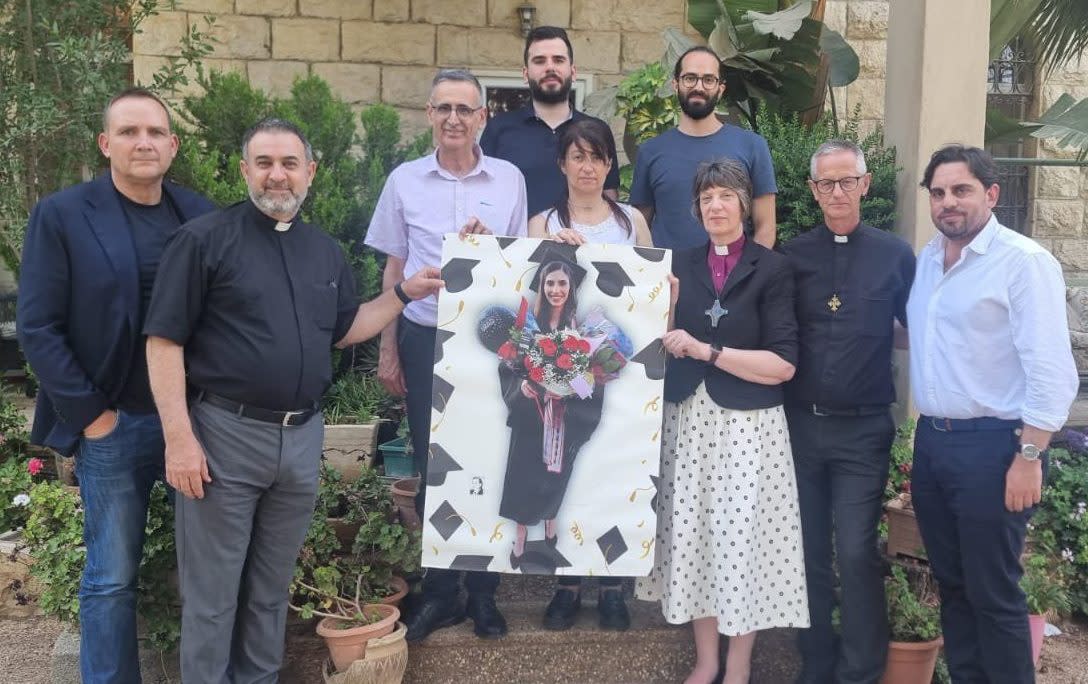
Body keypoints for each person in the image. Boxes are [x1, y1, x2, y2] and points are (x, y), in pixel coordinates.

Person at [143, 118, 443, 683]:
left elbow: (346, 327)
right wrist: (179, 439)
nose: (276, 176)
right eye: (264, 163)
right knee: (212, 597)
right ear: (244, 171)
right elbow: (163, 341)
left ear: (310, 171)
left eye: (288, 164)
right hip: (222, 438)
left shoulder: (323, 251)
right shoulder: (203, 241)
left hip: (301, 440)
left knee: (270, 591)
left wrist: (405, 293)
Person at [16, 87, 214, 683]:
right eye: (128, 132)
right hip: (114, 424)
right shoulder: (64, 214)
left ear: (173, 145)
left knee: (211, 571)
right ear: (106, 144)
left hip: (194, 426)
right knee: (111, 578)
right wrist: (93, 419)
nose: (143, 142)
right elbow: (39, 325)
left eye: (154, 132)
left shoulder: (200, 214)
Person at [366, 68, 528, 643]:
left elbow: (518, 267)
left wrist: (490, 250)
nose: (455, 119)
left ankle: (483, 593)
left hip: (487, 342)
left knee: (486, 459)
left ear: (483, 116)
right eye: (444, 109)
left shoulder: (509, 179)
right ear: (429, 115)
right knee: (435, 465)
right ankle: (439, 592)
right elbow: (393, 267)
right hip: (421, 334)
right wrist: (387, 348)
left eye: (466, 108)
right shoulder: (404, 181)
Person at [907, 145, 1077, 683]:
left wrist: (1030, 455)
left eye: (961, 190)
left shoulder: (1023, 262)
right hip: (934, 443)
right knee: (952, 586)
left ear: (991, 194)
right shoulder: (928, 260)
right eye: (938, 193)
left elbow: (1051, 368)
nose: (948, 202)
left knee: (992, 590)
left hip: (994, 447)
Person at [637, 159, 807, 684]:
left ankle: (738, 668)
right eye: (706, 197)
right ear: (697, 208)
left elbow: (782, 365)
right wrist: (663, 309)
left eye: (726, 196)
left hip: (747, 427)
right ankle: (706, 661)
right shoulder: (679, 264)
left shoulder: (771, 267)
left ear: (744, 204)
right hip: (688, 421)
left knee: (739, 541)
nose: (715, 206)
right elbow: (655, 344)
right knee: (696, 539)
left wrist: (709, 352)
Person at [779, 140, 916, 684]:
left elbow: (921, 329)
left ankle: (859, 672)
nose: (837, 192)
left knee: (857, 553)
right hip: (801, 426)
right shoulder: (791, 256)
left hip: (863, 431)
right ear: (812, 192)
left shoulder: (896, 254)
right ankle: (815, 663)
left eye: (846, 181)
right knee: (809, 553)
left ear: (865, 184)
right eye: (825, 184)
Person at [520, 118, 650, 631]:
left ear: (609, 163)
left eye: (597, 156)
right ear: (562, 164)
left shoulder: (632, 221)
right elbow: (529, 300)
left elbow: (647, 293)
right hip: (561, 374)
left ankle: (614, 585)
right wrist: (556, 251)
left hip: (617, 370)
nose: (588, 166)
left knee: (614, 466)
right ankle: (567, 582)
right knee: (566, 465)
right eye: (577, 156)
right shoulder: (540, 223)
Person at [629, 46, 777, 250]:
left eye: (708, 80)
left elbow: (766, 227)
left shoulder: (752, 146)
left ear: (721, 88)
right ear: (675, 84)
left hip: (734, 277)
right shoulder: (651, 151)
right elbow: (639, 228)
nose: (699, 86)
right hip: (668, 278)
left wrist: (749, 275)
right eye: (690, 78)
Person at [480, 25, 621, 218]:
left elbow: (609, 197)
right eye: (539, 61)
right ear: (525, 73)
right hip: (515, 245)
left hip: (581, 246)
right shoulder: (499, 129)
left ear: (573, 71)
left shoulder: (597, 131)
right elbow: (483, 197)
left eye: (558, 60)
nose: (550, 67)